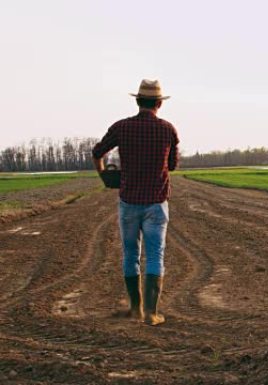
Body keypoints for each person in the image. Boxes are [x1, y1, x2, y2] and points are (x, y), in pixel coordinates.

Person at [92, 79, 179, 326]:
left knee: (130, 254)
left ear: (138, 101)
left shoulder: (121, 127)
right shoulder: (168, 130)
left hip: (128, 202)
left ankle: (135, 309)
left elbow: (97, 152)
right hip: (156, 202)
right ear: (159, 103)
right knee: (155, 255)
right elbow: (172, 165)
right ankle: (152, 314)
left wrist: (104, 176)